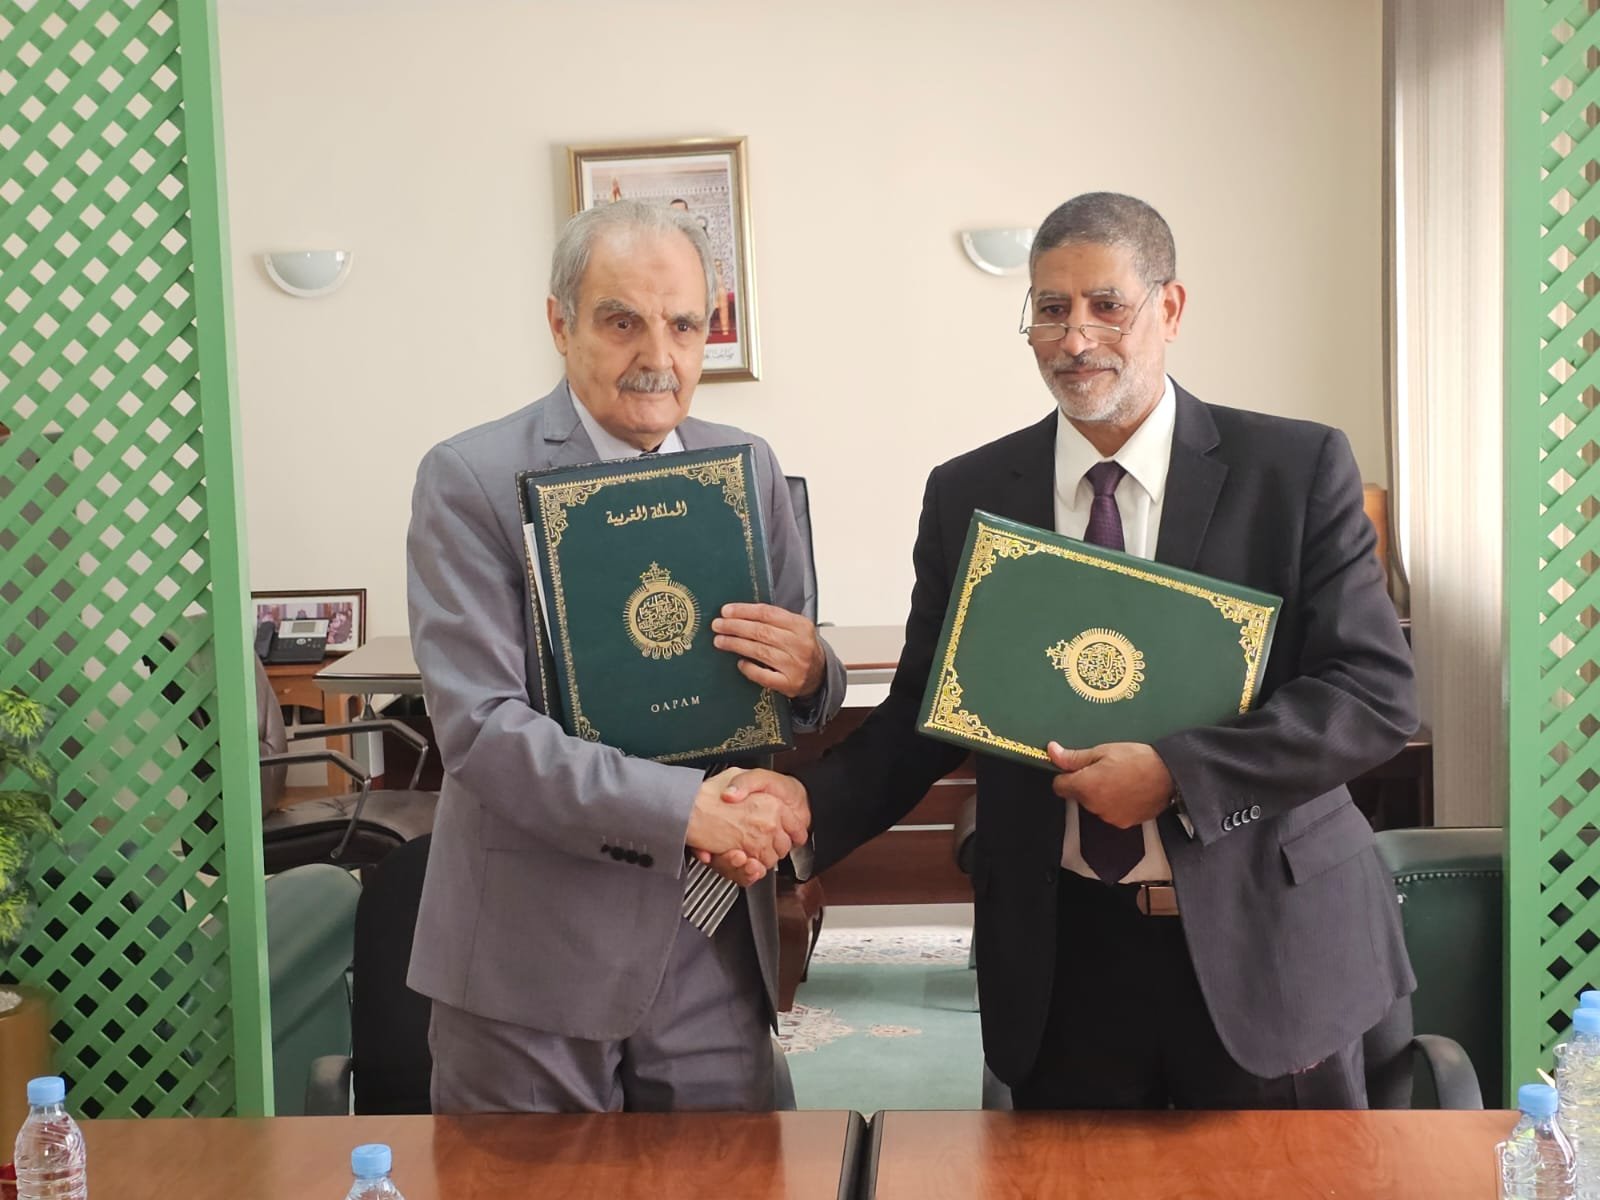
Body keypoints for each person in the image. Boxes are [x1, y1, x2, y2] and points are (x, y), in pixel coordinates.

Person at [720, 192, 1417, 1110]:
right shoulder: (970, 493)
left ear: (1170, 308)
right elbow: (927, 711)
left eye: (1106, 305)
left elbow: (1371, 693)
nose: (1075, 337)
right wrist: (806, 803)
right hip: (1066, 960)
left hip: (1270, 948)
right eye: (1051, 308)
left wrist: (1176, 774)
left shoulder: (1293, 470)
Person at [405, 199, 844, 1113]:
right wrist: (686, 811)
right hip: (536, 958)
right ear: (559, 323)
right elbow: (481, 731)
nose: (658, 355)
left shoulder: (749, 466)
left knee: (724, 1178)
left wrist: (811, 672)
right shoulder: (471, 478)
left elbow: (788, 680)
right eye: (621, 322)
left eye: (683, 325)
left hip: (714, 943)